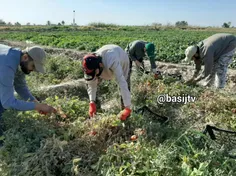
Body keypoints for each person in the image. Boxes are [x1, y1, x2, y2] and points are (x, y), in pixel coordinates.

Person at [0, 44, 57, 145]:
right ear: (26, 57)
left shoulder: (19, 59)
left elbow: (20, 86)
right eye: (33, 66)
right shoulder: (7, 66)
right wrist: (36, 106)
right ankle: (3, 148)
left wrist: (34, 102)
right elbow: (8, 103)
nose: (33, 70)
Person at [82, 44, 132, 121]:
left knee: (124, 84)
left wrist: (127, 107)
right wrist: (92, 102)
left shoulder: (112, 60)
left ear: (100, 65)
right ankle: (96, 111)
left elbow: (122, 83)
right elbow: (91, 85)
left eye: (95, 74)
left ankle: (125, 113)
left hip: (122, 59)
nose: (94, 76)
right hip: (103, 68)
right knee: (93, 83)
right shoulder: (89, 65)